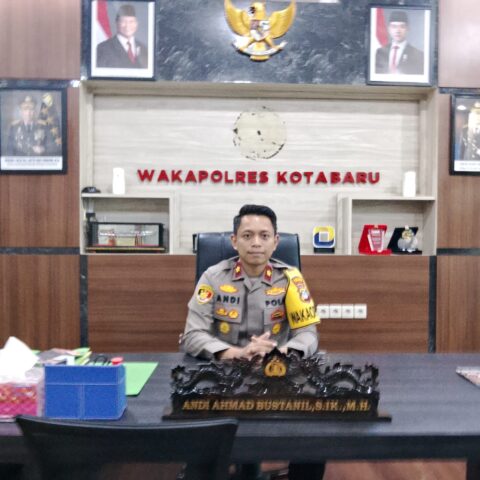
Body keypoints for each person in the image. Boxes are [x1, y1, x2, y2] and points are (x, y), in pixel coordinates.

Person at [182, 204, 325, 480]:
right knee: (198, 437)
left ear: (276, 242)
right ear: (234, 241)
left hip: (278, 375)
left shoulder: (291, 279)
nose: (256, 243)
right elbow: (192, 335)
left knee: (315, 435)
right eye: (247, 236)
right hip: (224, 375)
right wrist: (237, 353)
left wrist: (279, 353)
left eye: (264, 235)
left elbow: (308, 334)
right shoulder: (213, 277)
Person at [96, 4, 148, 69]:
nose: (127, 26)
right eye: (123, 21)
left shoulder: (144, 49)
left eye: (131, 21)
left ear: (136, 24)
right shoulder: (103, 49)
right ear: (116, 23)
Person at [375, 10, 424, 75]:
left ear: (407, 29)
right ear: (389, 29)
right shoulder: (380, 52)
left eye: (402, 27)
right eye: (394, 26)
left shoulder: (418, 55)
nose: (398, 31)